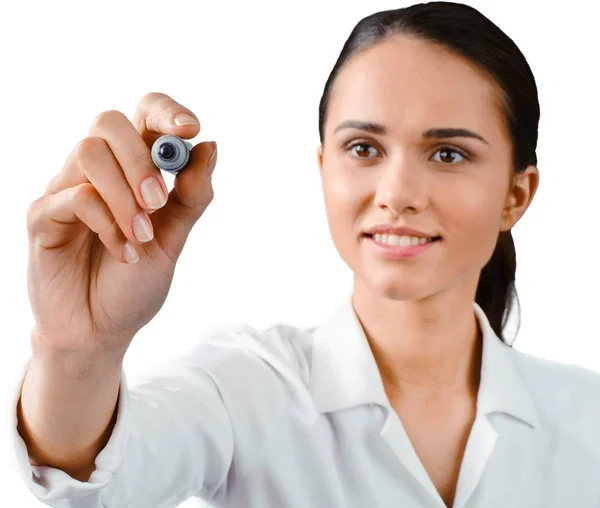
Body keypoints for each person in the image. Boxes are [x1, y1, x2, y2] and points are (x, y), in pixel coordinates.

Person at [8, 2, 600, 507]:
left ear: (515, 195)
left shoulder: (586, 419)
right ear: (324, 170)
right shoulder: (245, 388)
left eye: (447, 154)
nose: (395, 195)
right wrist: (77, 353)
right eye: (364, 148)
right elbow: (90, 477)